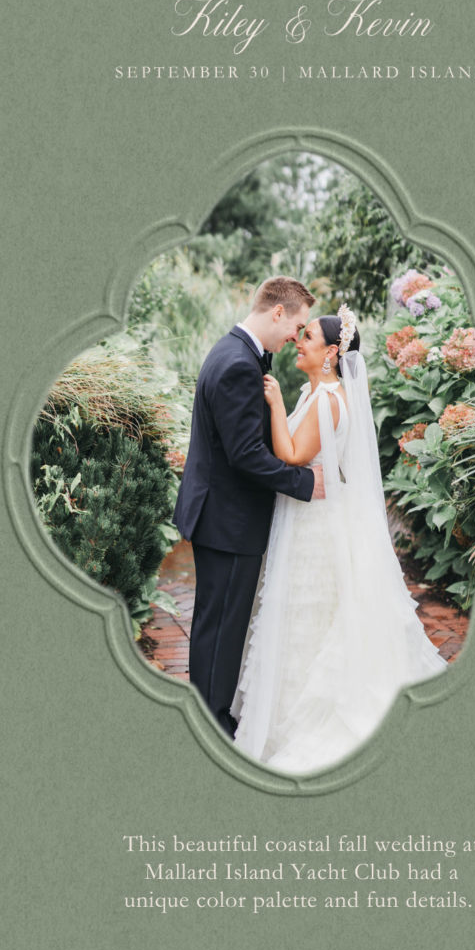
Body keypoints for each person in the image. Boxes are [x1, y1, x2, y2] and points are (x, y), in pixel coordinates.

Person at [231, 304, 448, 773]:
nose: (297, 342)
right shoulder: (321, 394)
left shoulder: (328, 399)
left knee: (307, 616)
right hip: (312, 518)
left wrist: (274, 405)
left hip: (315, 530)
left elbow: (289, 453)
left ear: (330, 352)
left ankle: (306, 723)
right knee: (307, 617)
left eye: (306, 336)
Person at [172, 276, 324, 738]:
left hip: (219, 513)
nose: (295, 338)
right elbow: (245, 456)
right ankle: (213, 723)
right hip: (229, 518)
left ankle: (209, 712)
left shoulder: (233, 350)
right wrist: (303, 481)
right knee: (221, 628)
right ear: (277, 312)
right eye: (296, 326)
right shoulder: (239, 364)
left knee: (215, 623)